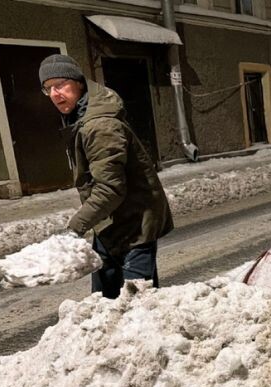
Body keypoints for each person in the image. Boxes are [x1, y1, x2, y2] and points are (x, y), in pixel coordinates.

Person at [38, 54, 173, 298]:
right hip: (111, 222)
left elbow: (110, 188)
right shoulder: (81, 118)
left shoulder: (98, 126)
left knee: (138, 307)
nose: (55, 94)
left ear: (78, 82)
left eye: (61, 84)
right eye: (48, 88)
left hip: (134, 222)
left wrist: (75, 228)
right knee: (103, 301)